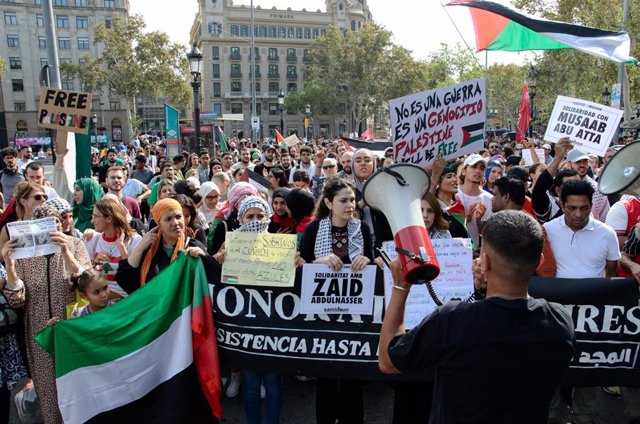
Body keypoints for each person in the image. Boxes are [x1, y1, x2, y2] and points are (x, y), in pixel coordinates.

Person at [379, 210, 576, 424]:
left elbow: (388, 361)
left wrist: (400, 286)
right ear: (539, 261)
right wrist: (488, 289)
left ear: (485, 261)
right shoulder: (560, 321)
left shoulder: (452, 320)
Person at [2, 203, 91, 424]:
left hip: (73, 333)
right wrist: (10, 266)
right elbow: (17, 300)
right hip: (40, 337)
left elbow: (88, 284)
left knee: (78, 395)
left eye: (55, 225)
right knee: (49, 399)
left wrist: (66, 253)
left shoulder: (75, 244)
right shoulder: (24, 254)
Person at [544, 179, 620, 423]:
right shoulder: (547, 230)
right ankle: (551, 413)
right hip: (555, 315)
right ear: (561, 204)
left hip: (592, 318)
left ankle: (584, 415)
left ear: (591, 206)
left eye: (584, 208)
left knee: (589, 365)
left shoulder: (606, 234)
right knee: (551, 367)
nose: (578, 214)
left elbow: (611, 273)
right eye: (571, 208)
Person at [299, 178, 373, 424]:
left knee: (352, 373)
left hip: (354, 315)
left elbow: (372, 261)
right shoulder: (313, 229)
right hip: (323, 316)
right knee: (327, 374)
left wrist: (366, 261)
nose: (350, 205)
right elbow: (302, 265)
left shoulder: (361, 228)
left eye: (352, 199)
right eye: (343, 200)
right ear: (329, 203)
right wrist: (318, 262)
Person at [116, 198, 218, 292]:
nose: (175, 222)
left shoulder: (193, 246)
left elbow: (210, 283)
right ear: (159, 223)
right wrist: (140, 247)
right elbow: (125, 281)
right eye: (168, 219)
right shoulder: (149, 249)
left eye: (178, 217)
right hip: (155, 309)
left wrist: (203, 259)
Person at [84, 196, 142, 299]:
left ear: (109, 218)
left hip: (128, 301)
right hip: (102, 301)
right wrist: (96, 263)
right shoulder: (93, 239)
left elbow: (134, 277)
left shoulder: (135, 241)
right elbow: (87, 277)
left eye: (95, 217)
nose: (92, 221)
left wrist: (121, 247)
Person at [457, 154, 493, 248]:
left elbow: (490, 234)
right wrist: (464, 220)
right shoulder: (452, 194)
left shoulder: (489, 199)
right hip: (452, 250)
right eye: (473, 167)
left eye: (482, 168)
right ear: (464, 171)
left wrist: (479, 221)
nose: (478, 171)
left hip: (475, 252)